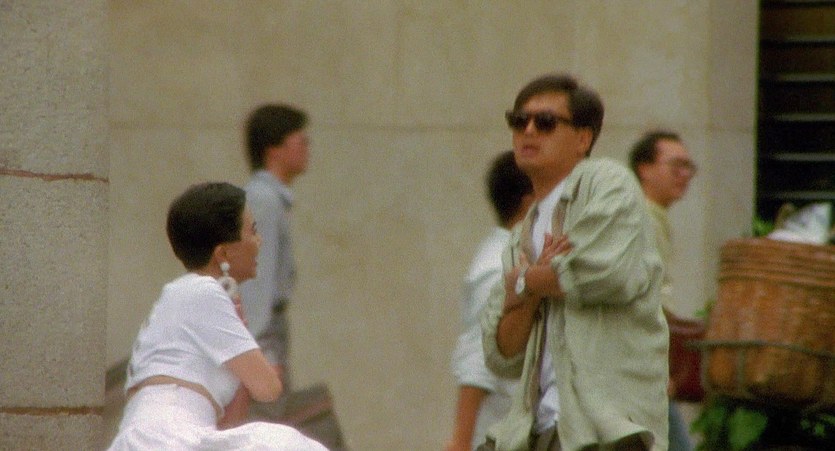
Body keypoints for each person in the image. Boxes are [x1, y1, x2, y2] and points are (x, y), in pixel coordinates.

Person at [479, 74, 669, 451]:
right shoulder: (521, 234)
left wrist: (524, 282)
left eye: (546, 122)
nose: (528, 131)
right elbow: (501, 351)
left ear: (583, 138)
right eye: (519, 121)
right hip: (535, 430)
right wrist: (536, 285)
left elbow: (601, 273)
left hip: (605, 430)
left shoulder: (607, 184)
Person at [108, 182, 326, 450]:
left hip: (175, 434)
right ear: (223, 253)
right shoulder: (201, 291)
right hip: (162, 436)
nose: (259, 241)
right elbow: (268, 387)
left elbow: (230, 424)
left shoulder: (187, 295)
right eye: (252, 231)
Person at [447, 151, 535, 451]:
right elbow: (477, 357)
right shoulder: (498, 267)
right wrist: (460, 442)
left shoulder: (518, 256)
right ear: (529, 201)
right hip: (503, 435)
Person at [629, 130, 698, 451]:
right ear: (644, 169)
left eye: (688, 167)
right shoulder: (639, 219)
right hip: (640, 372)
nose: (684, 175)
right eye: (676, 165)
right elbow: (640, 302)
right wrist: (656, 368)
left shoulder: (653, 216)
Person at [240, 103, 310, 415]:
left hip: (271, 335)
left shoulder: (268, 200)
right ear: (274, 150)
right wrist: (263, 355)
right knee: (266, 426)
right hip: (264, 339)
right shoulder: (264, 200)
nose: (307, 146)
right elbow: (255, 283)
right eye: (299, 139)